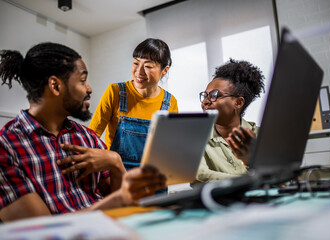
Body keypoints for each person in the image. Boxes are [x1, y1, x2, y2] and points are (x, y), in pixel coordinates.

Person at [0, 42, 166, 223]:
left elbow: (119, 200)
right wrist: (117, 200)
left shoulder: (86, 137)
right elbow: (38, 229)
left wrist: (116, 162)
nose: (89, 89)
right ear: (55, 86)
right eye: (82, 80)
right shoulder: (6, 147)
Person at [89, 38, 178, 171]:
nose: (139, 71)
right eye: (136, 63)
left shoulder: (170, 103)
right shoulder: (115, 92)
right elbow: (91, 137)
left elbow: (169, 147)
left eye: (148, 66)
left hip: (152, 176)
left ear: (164, 70)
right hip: (117, 174)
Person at [196, 59, 265, 182]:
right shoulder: (196, 138)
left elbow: (280, 177)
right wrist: (251, 180)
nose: (205, 101)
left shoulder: (262, 136)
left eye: (214, 95)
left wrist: (251, 162)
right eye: (205, 95)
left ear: (238, 102)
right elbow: (201, 174)